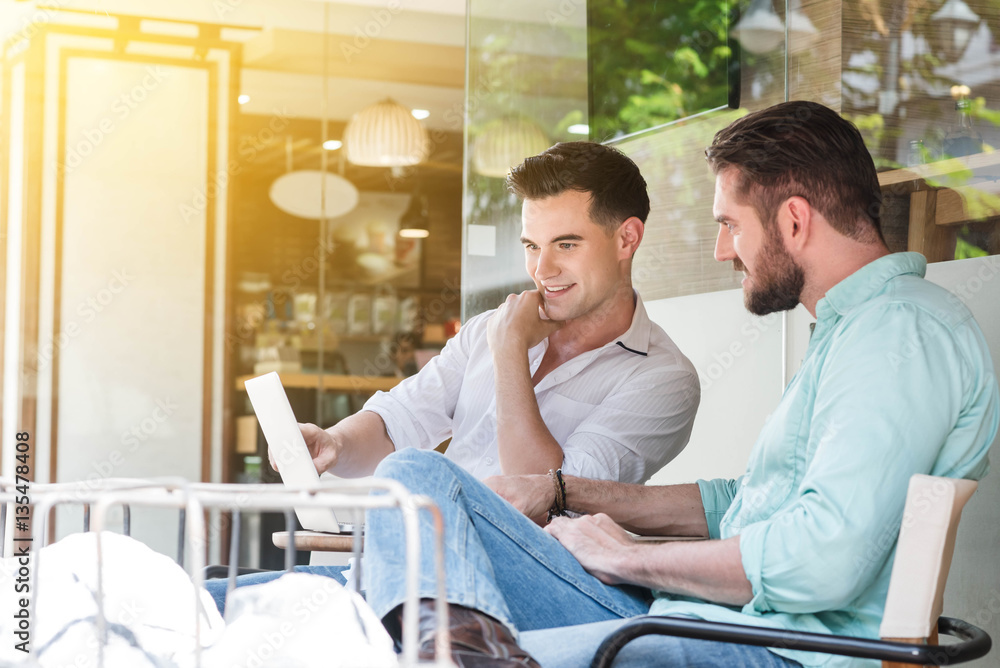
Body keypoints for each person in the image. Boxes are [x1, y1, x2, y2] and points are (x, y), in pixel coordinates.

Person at [359, 100, 999, 668]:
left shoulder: (898, 335)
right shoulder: (855, 329)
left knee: (381, 631)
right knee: (416, 477)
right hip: (696, 620)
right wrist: (565, 491)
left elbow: (821, 560)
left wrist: (628, 558)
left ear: (795, 221)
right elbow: (745, 502)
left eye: (731, 225)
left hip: (765, 647)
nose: (723, 251)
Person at [208, 142, 701, 612]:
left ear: (627, 239)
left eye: (566, 244)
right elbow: (399, 420)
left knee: (412, 478)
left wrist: (509, 351)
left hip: (519, 590)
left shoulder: (661, 378)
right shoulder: (488, 328)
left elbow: (546, 498)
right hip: (411, 569)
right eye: (532, 245)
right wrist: (335, 443)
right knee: (204, 601)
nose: (542, 268)